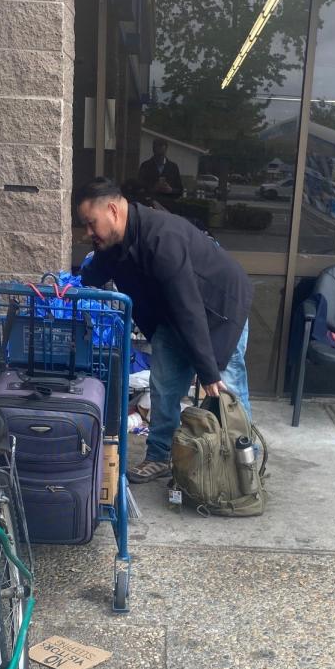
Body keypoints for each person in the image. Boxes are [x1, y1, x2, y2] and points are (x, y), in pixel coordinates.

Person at [76, 178, 253, 484]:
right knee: (164, 386)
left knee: (227, 389)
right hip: (173, 316)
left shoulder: (162, 238)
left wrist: (208, 372)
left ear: (114, 211)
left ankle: (242, 463)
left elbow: (189, 307)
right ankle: (159, 456)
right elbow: (97, 271)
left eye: (91, 223)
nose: (87, 232)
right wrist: (78, 278)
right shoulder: (115, 241)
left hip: (219, 308)